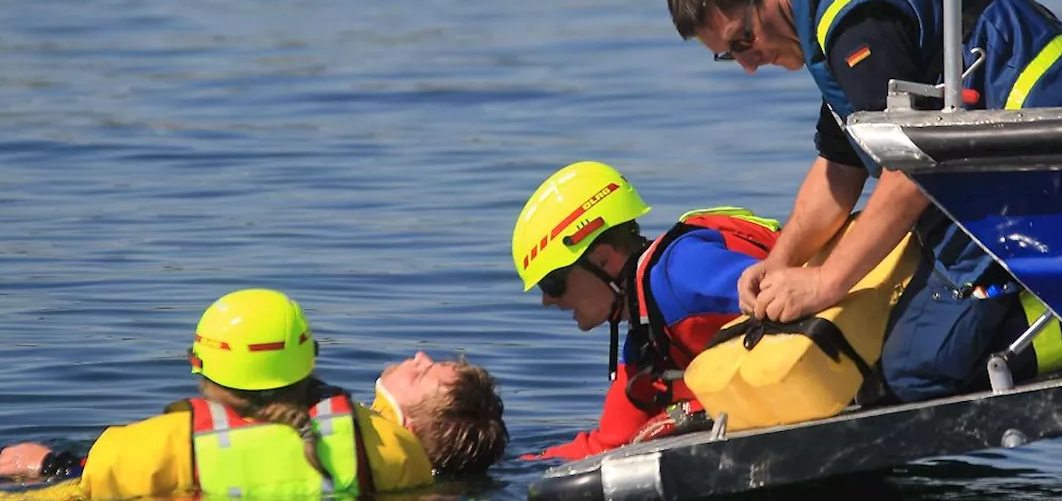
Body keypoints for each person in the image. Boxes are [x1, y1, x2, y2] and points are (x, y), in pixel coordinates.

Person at [665, 0, 1062, 403]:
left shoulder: (855, 24)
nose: (748, 65)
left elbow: (911, 168)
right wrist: (779, 264)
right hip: (1014, 157)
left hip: (1039, 165)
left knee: (916, 370)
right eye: (728, 56)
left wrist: (825, 282)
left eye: (743, 41)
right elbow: (841, 167)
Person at [0, 288, 508, 499]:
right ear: (309, 361)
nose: (418, 356)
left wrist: (50, 467)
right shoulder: (393, 456)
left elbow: (90, 484)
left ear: (199, 365)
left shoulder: (157, 442)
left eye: (426, 372)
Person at [511, 160, 780, 461]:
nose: (547, 299)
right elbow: (607, 445)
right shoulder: (644, 338)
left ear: (602, 259)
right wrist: (513, 464)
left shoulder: (681, 269)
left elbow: (786, 293)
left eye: (554, 282)